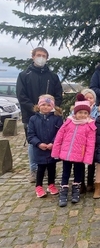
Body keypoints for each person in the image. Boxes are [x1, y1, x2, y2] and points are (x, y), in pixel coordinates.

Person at [16, 47, 63, 183]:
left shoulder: (52, 76)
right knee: (34, 143)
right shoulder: (24, 75)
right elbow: (21, 96)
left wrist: (52, 108)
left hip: (51, 116)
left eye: (44, 55)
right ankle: (34, 169)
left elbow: (58, 95)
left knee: (49, 141)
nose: (41, 57)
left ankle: (48, 168)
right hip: (31, 116)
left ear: (47, 58)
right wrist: (35, 109)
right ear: (33, 56)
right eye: (39, 55)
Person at [51, 94, 96, 207]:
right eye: (80, 113)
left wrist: (87, 158)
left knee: (78, 173)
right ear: (75, 113)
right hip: (66, 154)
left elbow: (91, 144)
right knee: (65, 173)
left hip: (79, 155)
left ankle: (76, 190)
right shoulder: (68, 123)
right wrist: (56, 152)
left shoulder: (90, 126)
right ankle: (64, 191)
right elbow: (59, 138)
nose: (82, 115)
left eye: (85, 113)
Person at [27, 95, 63, 198]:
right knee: (41, 168)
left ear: (52, 106)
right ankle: (38, 186)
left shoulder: (57, 118)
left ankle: (51, 184)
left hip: (52, 147)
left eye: (48, 105)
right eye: (43, 105)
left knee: (52, 167)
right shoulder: (33, 119)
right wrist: (38, 143)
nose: (45, 107)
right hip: (39, 148)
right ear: (39, 106)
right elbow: (31, 135)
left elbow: (60, 133)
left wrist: (54, 143)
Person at [79, 88, 99, 193]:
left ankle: (90, 182)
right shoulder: (76, 110)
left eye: (91, 98)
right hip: (80, 140)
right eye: (86, 98)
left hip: (92, 140)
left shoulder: (98, 110)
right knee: (80, 162)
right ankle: (81, 183)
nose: (89, 100)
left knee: (91, 162)